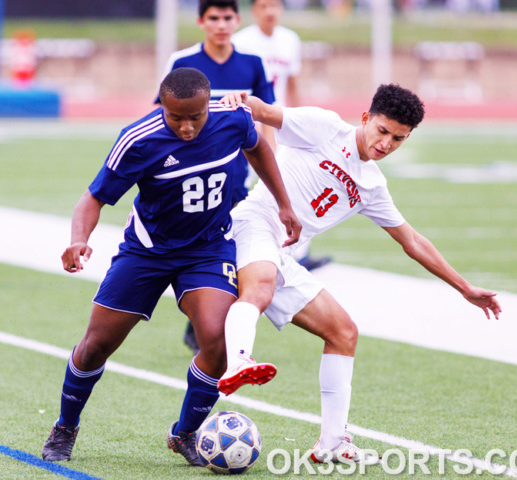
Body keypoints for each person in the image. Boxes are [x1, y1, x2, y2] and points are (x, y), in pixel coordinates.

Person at [217, 85, 502, 463]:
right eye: (382, 131)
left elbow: (413, 241)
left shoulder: (372, 186)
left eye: (398, 139)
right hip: (253, 224)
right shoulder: (324, 127)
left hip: (284, 254)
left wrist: (464, 288)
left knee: (343, 332)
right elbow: (264, 112)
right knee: (261, 287)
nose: (386, 143)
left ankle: (331, 443)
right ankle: (239, 361)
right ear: (366, 118)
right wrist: (241, 101)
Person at [41, 68, 301, 465]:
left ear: (207, 106)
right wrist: (79, 240)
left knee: (216, 341)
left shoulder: (233, 117)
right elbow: (92, 199)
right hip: (147, 252)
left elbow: (259, 148)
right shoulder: (138, 140)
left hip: (208, 248)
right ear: (161, 105)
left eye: (194, 117)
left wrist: (283, 203)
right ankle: (65, 425)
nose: (185, 126)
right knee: (96, 347)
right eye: (175, 117)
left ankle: (185, 433)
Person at [161, 0, 277, 354]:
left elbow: (265, 119)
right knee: (194, 249)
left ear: (238, 20)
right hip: (193, 178)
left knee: (231, 251)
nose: (221, 24)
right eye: (214, 18)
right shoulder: (183, 63)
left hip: (237, 176)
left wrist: (271, 171)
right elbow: (161, 116)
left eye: (228, 17)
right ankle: (202, 324)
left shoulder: (252, 63)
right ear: (201, 21)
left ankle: (211, 330)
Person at [233, 0, 332, 271]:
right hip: (252, 123)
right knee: (247, 188)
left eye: (275, 5)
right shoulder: (241, 42)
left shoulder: (290, 40)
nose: (270, 11)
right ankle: (235, 249)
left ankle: (298, 253)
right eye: (264, 5)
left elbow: (291, 83)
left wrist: (302, 122)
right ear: (254, 10)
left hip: (281, 122)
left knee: (294, 183)